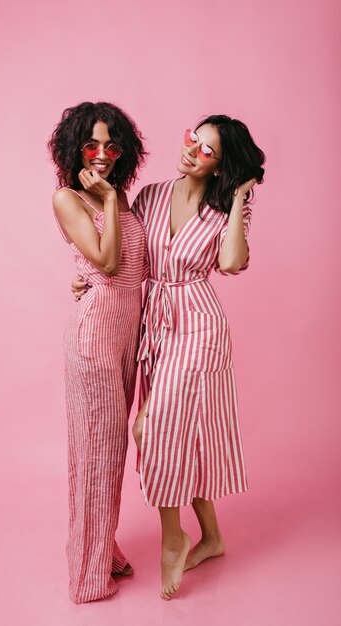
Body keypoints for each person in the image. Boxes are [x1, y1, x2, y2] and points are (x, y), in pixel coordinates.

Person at [72, 114, 265, 601]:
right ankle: (214, 537)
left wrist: (241, 196)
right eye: (191, 139)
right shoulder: (152, 195)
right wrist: (86, 276)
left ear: (222, 166)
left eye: (206, 150)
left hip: (198, 324)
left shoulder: (226, 209)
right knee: (183, 434)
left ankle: (173, 538)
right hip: (154, 326)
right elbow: (126, 251)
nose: (191, 151)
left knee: (150, 428)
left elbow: (230, 263)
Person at [48, 101, 147, 604]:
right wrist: (106, 197)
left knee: (109, 455)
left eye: (113, 144)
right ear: (74, 148)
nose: (103, 153)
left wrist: (112, 198)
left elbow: (130, 270)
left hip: (125, 339)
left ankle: (101, 547)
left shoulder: (123, 199)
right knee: (94, 457)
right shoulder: (69, 197)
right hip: (93, 344)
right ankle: (87, 577)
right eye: (92, 144)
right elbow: (108, 264)